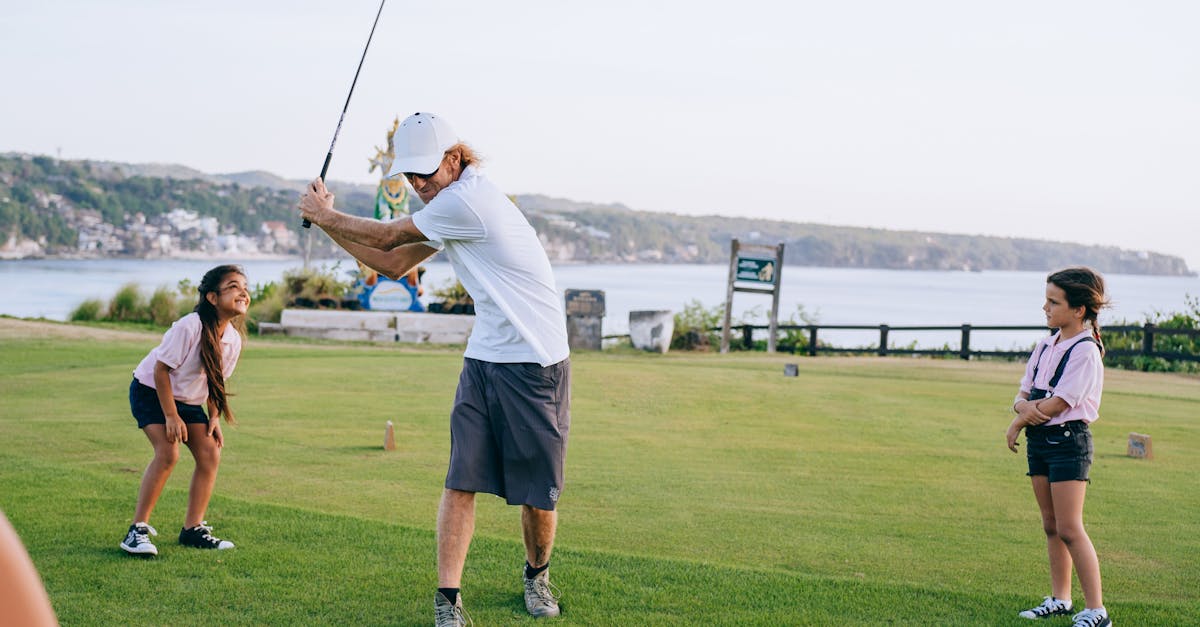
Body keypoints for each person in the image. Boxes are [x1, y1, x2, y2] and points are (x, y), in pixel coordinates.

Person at [298, 112, 571, 625]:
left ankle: (537, 578)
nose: (418, 184)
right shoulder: (449, 204)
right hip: (484, 357)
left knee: (536, 493)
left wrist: (325, 213)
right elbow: (396, 263)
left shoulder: (467, 201)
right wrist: (326, 221)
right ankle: (448, 602)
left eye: (426, 172)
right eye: (410, 176)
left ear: (454, 158)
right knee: (460, 480)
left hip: (535, 361)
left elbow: (385, 238)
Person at [1006, 267, 1111, 627]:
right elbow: (1023, 393)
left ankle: (1097, 610)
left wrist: (1019, 419)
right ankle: (1060, 599)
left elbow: (1058, 404)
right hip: (1041, 443)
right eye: (1046, 300)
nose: (1045, 308)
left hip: (1069, 443)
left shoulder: (1085, 351)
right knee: (1050, 525)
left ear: (1079, 309)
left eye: (1054, 302)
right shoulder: (1046, 345)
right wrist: (1021, 410)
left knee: (1069, 527)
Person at [119, 264, 249, 556]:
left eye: (245, 287)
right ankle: (136, 531)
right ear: (212, 298)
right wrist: (170, 416)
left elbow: (217, 381)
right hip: (151, 391)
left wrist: (214, 418)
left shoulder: (233, 340)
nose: (243, 291)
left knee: (210, 452)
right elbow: (161, 370)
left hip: (188, 402)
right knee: (168, 452)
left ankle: (192, 530)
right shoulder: (190, 325)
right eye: (233, 286)